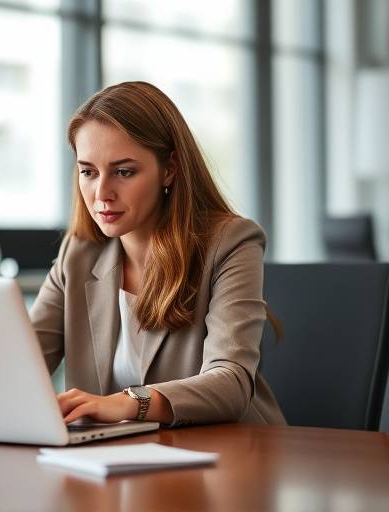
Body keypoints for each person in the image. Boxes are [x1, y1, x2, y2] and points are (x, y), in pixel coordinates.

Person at [29, 81, 285, 427]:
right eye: (88, 172)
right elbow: (21, 366)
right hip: (118, 460)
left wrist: (127, 403)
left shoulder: (230, 243)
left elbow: (231, 382)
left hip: (229, 455)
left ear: (169, 168)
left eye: (123, 171)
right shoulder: (80, 253)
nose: (102, 193)